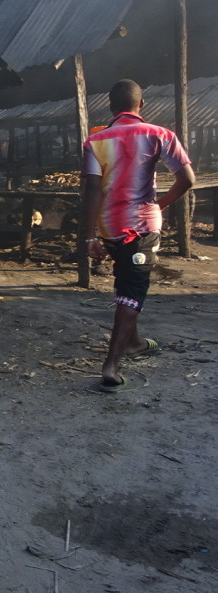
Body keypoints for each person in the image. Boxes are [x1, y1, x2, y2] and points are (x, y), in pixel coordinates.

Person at [81, 79, 194, 392]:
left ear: (111, 107)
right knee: (132, 290)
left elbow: (91, 188)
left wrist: (90, 236)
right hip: (141, 227)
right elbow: (187, 180)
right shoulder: (160, 134)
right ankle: (111, 365)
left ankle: (134, 343)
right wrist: (160, 203)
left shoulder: (95, 140)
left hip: (108, 228)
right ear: (141, 105)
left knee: (126, 281)